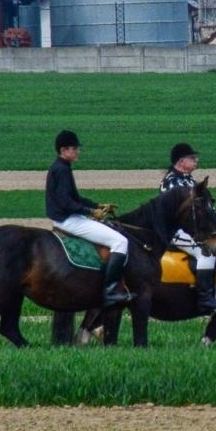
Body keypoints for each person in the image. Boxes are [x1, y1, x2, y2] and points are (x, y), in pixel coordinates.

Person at [46, 130, 132, 305]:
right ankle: (110, 292)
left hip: (67, 217)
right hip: (67, 220)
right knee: (121, 242)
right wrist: (90, 212)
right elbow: (65, 202)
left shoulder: (61, 167)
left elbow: (75, 198)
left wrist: (97, 206)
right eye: (74, 148)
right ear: (63, 150)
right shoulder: (61, 170)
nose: (78, 152)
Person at [161, 141, 216, 314]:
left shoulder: (190, 180)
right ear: (181, 162)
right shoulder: (171, 183)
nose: (196, 161)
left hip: (190, 230)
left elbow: (205, 210)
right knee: (205, 253)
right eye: (192, 158)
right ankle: (206, 300)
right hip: (174, 231)